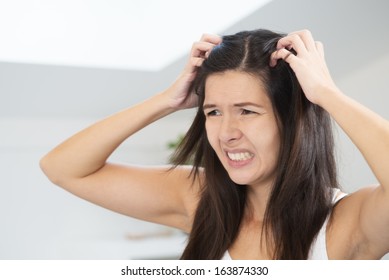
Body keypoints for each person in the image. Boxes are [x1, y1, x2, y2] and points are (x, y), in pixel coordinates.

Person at [40, 29, 389, 260]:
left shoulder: (346, 223)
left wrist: (326, 95)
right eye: (213, 112)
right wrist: (166, 100)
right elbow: (62, 168)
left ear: (293, 119)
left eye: (247, 111)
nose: (226, 133)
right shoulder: (198, 199)